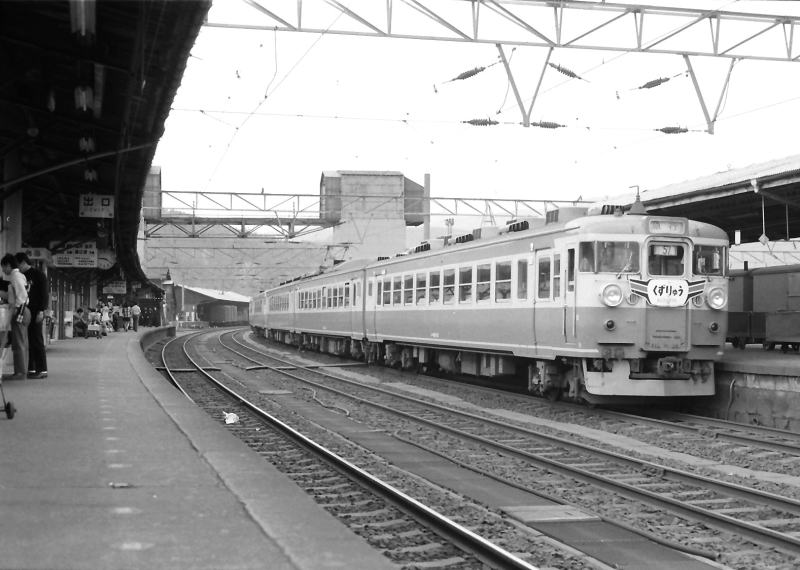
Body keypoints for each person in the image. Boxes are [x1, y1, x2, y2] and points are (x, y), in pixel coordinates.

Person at [16, 252, 48, 379]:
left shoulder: (39, 275)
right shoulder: (21, 276)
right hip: (25, 312)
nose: (17, 268)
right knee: (28, 339)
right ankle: (32, 368)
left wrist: (42, 310)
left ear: (23, 262)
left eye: (18, 265)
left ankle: (42, 369)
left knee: (37, 339)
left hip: (36, 312)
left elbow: (44, 294)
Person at [1, 254, 30, 380]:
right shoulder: (18, 276)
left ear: (8, 265)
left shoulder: (15, 277)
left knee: (19, 342)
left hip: (20, 311)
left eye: (3, 267)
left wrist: (16, 309)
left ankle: (20, 372)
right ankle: (21, 370)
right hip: (22, 311)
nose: (3, 271)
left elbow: (22, 296)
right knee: (21, 341)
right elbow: (13, 295)